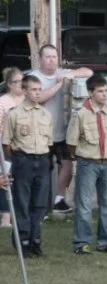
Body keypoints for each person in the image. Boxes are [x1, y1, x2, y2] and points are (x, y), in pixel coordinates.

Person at [30, 44, 93, 215]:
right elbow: (39, 97)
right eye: (47, 57)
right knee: (41, 171)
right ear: (40, 59)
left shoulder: (62, 73)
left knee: (67, 167)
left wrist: (71, 74)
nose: (51, 60)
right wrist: (59, 85)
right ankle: (39, 206)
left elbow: (89, 72)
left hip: (63, 131)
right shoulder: (33, 78)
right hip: (41, 133)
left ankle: (59, 200)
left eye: (54, 57)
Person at [2, 75, 53, 258]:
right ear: (24, 91)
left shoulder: (46, 114)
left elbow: (49, 141)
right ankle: (22, 241)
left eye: (39, 89)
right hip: (23, 160)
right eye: (33, 89)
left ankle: (35, 241)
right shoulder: (14, 114)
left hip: (42, 160)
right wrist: (18, 160)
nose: (37, 93)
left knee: (39, 204)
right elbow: (7, 143)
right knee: (22, 202)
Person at [67, 74, 107, 254]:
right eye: (100, 91)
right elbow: (72, 142)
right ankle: (82, 242)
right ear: (91, 93)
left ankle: (105, 242)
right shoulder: (81, 114)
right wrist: (82, 157)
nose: (104, 95)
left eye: (106, 91)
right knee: (84, 205)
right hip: (88, 163)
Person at [0, 67, 24, 228]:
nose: (20, 85)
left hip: (25, 147)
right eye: (16, 82)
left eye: (22, 81)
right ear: (9, 84)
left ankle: (22, 215)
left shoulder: (28, 99)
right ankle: (5, 219)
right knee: (6, 180)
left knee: (23, 181)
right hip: (6, 145)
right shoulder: (2, 101)